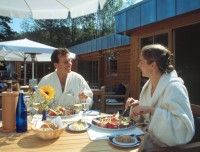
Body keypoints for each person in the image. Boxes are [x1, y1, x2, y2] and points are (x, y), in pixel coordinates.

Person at [126, 44, 194, 147]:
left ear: (153, 65)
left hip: (167, 148)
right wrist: (138, 106)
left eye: (141, 61)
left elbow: (183, 130)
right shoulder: (148, 85)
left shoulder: (175, 88)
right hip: (146, 140)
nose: (138, 65)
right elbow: (147, 116)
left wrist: (150, 109)